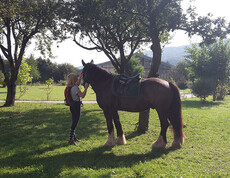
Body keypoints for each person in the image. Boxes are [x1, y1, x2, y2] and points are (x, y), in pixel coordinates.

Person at [66, 73, 89, 145]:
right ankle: (70, 140)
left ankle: (73, 137)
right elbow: (82, 95)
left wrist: (80, 77)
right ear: (73, 80)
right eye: (76, 78)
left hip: (72, 106)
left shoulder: (70, 87)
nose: (77, 79)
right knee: (75, 123)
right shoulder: (75, 88)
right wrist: (86, 88)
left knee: (74, 121)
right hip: (76, 106)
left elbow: (78, 83)